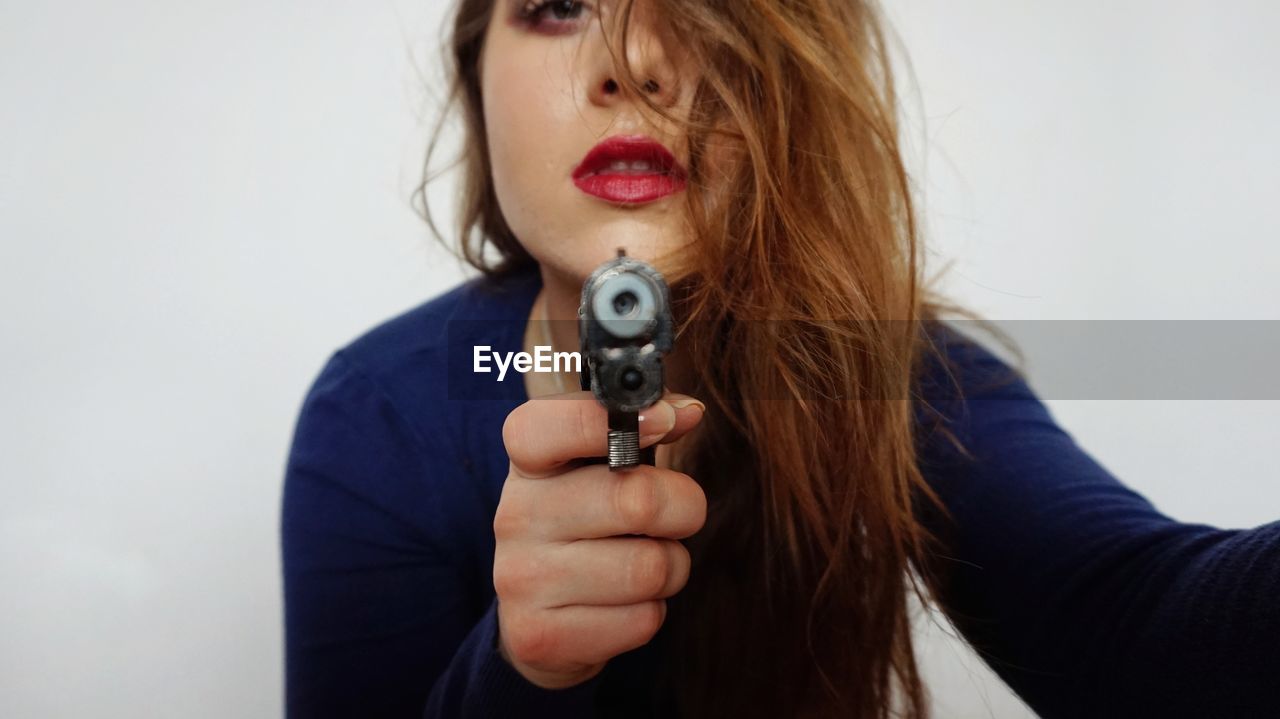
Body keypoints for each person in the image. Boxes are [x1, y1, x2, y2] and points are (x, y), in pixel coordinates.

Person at [280, 1, 1280, 717]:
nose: (630, 60)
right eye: (555, 6)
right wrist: (521, 672)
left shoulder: (898, 372)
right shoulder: (376, 414)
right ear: (474, 90)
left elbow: (1145, 634)